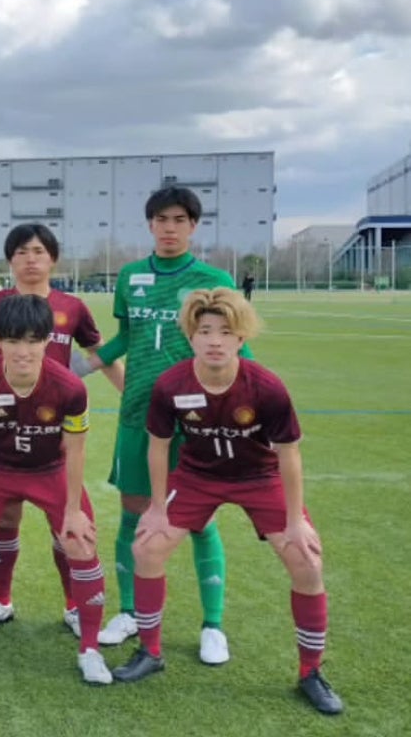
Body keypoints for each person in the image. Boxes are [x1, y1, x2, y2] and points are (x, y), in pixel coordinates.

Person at [113, 288, 343, 715]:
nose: (214, 340)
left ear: (241, 338)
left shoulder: (266, 387)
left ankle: (311, 672)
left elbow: (289, 454)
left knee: (307, 561)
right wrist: (157, 508)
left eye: (225, 331)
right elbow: (158, 446)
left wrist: (295, 521)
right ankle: (150, 651)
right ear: (191, 336)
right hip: (197, 476)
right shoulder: (171, 384)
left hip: (259, 477)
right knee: (147, 547)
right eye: (205, 331)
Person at [80, 186, 238, 660]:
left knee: (201, 518)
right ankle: (130, 612)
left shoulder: (214, 279)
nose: (170, 228)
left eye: (179, 220)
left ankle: (213, 625)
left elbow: (235, 342)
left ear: (193, 226)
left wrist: (257, 390)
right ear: (150, 224)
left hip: (197, 419)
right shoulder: (131, 277)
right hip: (138, 414)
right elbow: (124, 338)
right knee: (133, 511)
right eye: (161, 219)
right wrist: (71, 369)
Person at [0, 223, 123, 638]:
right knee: (3, 518)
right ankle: (1, 601)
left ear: (53, 259)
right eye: (22, 252)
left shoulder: (72, 307)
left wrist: (131, 394)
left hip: (53, 431)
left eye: (39, 251)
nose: (31, 259)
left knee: (68, 527)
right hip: (2, 432)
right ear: (10, 260)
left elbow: (98, 353)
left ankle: (73, 606)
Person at [0, 294, 111, 683]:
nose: (23, 351)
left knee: (80, 541)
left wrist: (73, 511)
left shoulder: (70, 387)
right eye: (13, 340)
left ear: (48, 340)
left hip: (50, 470)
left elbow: (76, 449)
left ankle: (91, 649)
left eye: (33, 341)